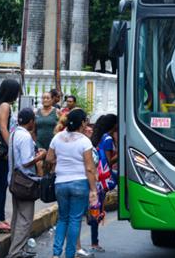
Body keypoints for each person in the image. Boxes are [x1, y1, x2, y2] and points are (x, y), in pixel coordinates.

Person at [46, 109, 98, 258]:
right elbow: (89, 167)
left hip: (61, 183)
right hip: (79, 183)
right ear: (82, 123)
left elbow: (49, 159)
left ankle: (56, 254)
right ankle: (69, 254)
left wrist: (61, 160)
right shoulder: (84, 141)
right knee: (75, 220)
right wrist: (93, 189)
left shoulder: (57, 137)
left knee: (62, 218)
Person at [6, 108, 47, 258]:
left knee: (17, 217)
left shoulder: (14, 133)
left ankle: (17, 249)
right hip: (25, 182)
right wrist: (40, 156)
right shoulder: (25, 137)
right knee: (25, 220)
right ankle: (15, 252)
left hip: (14, 180)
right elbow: (26, 161)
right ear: (30, 121)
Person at [0, 79, 21, 233]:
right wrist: (11, 148)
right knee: (1, 185)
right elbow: (3, 127)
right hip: (3, 151)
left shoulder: (1, 105)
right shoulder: (5, 106)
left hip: (2, 149)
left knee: (1, 184)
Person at [87, 114, 118, 253]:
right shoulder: (108, 139)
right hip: (102, 179)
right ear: (113, 125)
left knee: (94, 207)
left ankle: (94, 238)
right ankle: (94, 243)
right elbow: (108, 162)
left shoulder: (97, 137)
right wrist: (121, 152)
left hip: (93, 176)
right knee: (97, 209)